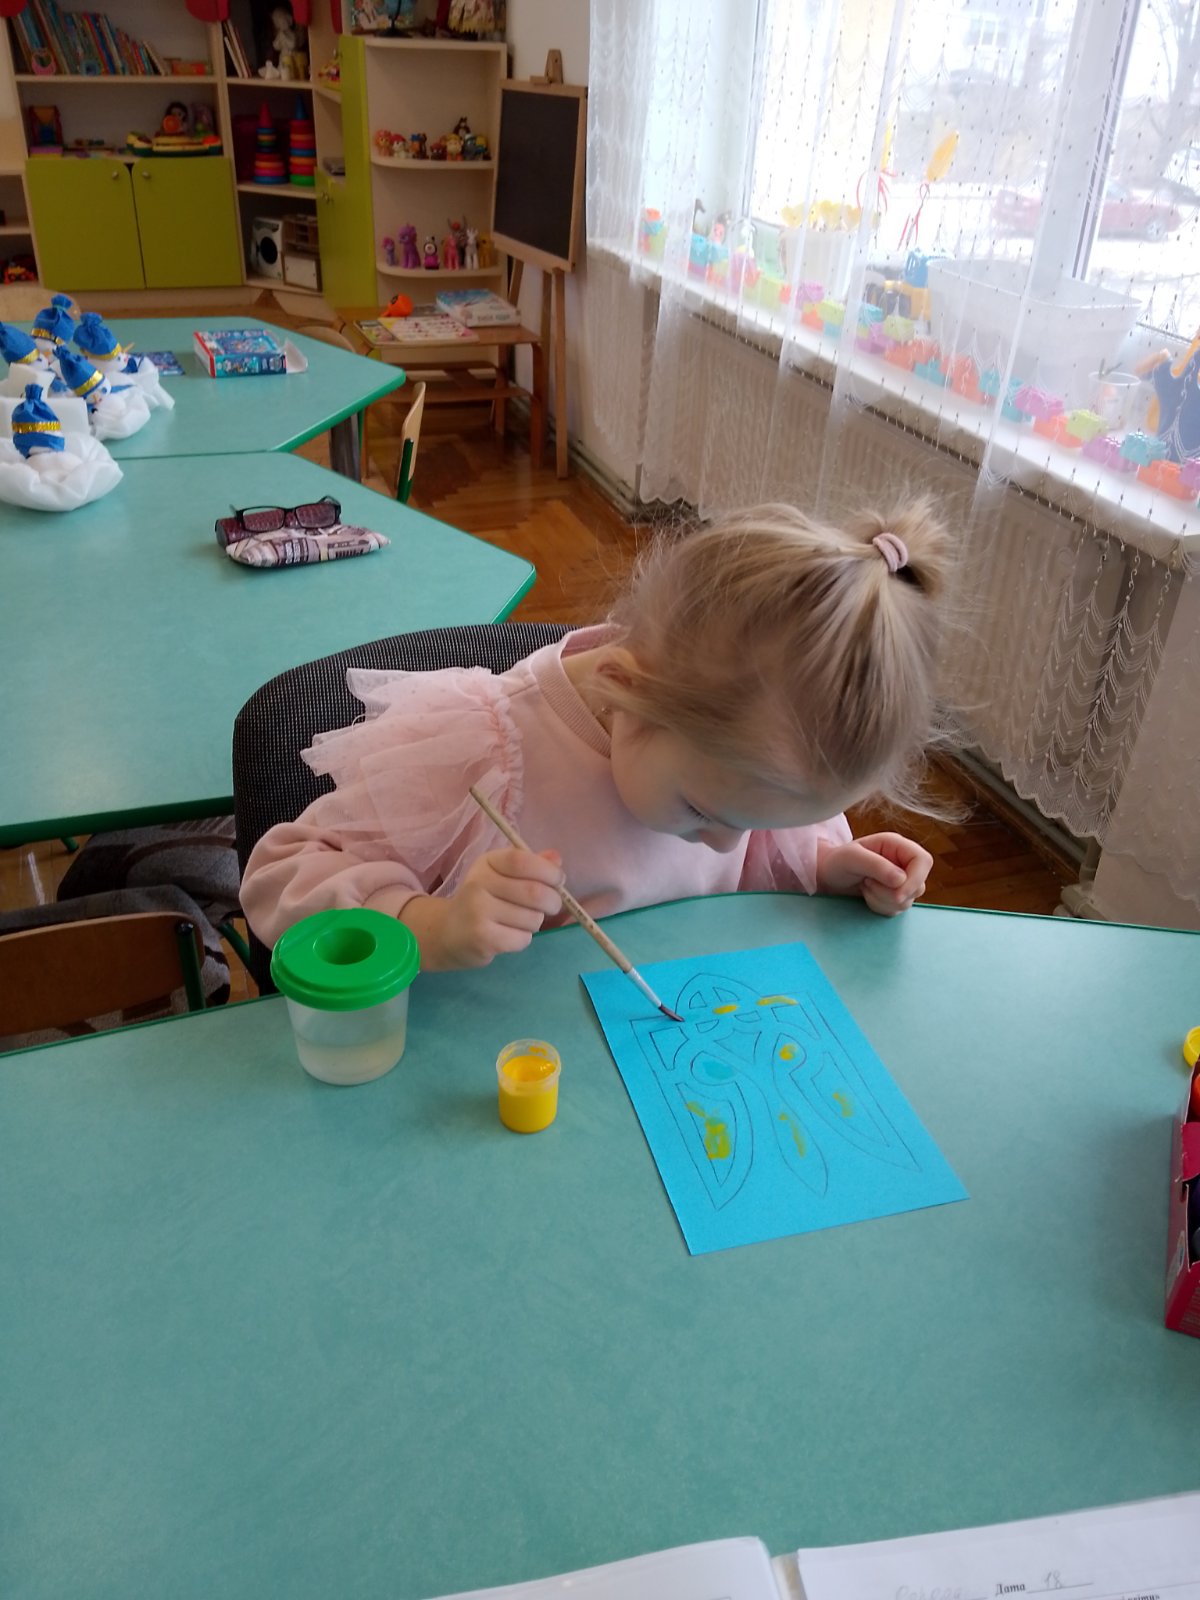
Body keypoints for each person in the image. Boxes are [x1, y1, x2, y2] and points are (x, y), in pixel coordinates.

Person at [241, 501, 950, 968]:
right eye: (703, 814)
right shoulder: (484, 749)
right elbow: (280, 881)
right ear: (626, 693)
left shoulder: (732, 774)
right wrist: (431, 928)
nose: (726, 845)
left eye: (758, 826)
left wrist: (824, 868)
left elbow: (744, 859)